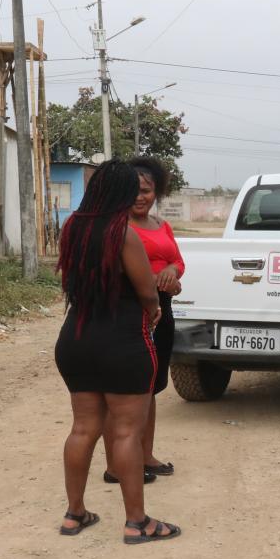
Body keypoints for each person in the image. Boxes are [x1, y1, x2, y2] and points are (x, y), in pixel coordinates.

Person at [54, 159, 181, 544]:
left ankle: (75, 514)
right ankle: (137, 522)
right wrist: (154, 311)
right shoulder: (123, 234)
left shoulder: (72, 228)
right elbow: (146, 291)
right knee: (127, 431)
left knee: (82, 428)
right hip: (123, 341)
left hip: (75, 338)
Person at [100, 156, 184, 484]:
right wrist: (154, 278)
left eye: (147, 190)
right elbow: (118, 271)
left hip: (162, 310)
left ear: (157, 192)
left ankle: (145, 455)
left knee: (149, 389)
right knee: (123, 393)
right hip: (130, 310)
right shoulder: (117, 228)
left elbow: (177, 260)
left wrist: (171, 273)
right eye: (134, 189)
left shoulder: (162, 225)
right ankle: (116, 465)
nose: (140, 196)